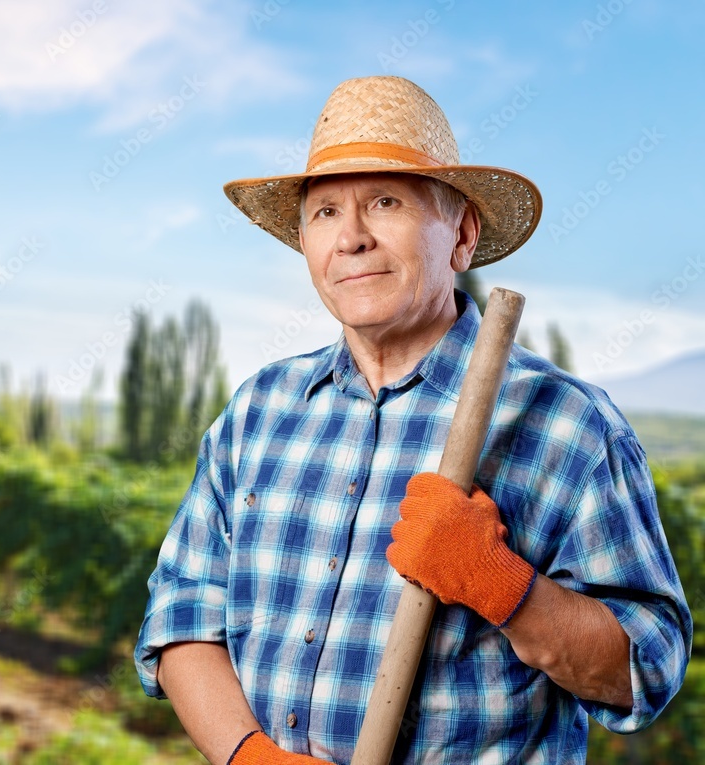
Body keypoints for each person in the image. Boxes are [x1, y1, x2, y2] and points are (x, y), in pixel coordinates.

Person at [133, 75, 692, 764]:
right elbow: (182, 611)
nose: (352, 238)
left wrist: (503, 585)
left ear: (461, 233)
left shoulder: (567, 424)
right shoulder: (258, 411)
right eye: (326, 212)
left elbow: (646, 669)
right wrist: (251, 756)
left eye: (386, 202)